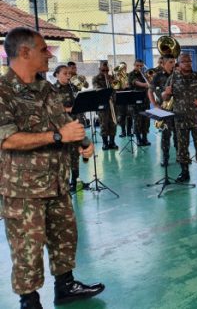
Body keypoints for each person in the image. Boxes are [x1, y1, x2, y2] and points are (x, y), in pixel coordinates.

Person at [0, 27, 104, 309]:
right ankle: (29, 300)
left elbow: (62, 122)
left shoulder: (45, 88)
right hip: (24, 189)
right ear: (24, 52)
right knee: (27, 248)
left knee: (65, 235)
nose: (49, 54)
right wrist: (58, 137)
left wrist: (81, 141)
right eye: (44, 49)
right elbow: (8, 139)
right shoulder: (3, 92)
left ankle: (65, 285)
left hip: (56, 181)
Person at [163, 53, 197, 182]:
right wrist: (166, 93)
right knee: (182, 146)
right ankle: (184, 172)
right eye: (184, 61)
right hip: (180, 118)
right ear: (179, 63)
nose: (188, 63)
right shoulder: (173, 78)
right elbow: (165, 97)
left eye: (189, 61)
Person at [53, 65, 84, 192]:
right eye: (65, 73)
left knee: (75, 155)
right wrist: (68, 109)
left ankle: (75, 181)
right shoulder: (53, 89)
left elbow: (84, 88)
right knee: (63, 156)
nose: (68, 76)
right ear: (56, 75)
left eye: (69, 74)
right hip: (62, 127)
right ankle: (62, 184)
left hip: (75, 124)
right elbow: (52, 108)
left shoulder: (72, 87)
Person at [149, 54, 177, 167]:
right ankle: (165, 158)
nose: (173, 64)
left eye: (174, 62)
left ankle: (181, 156)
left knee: (179, 135)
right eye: (170, 62)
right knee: (166, 135)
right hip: (164, 109)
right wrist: (155, 104)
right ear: (164, 63)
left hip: (178, 109)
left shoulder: (178, 75)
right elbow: (150, 91)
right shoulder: (158, 76)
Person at [92, 60, 118, 151]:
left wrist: (112, 82)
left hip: (113, 104)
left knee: (113, 123)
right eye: (103, 70)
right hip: (102, 104)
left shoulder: (112, 77)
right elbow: (97, 89)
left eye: (107, 70)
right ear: (99, 69)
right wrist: (106, 88)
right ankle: (105, 143)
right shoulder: (96, 78)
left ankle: (112, 142)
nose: (105, 72)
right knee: (104, 123)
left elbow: (117, 88)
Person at [128, 59, 151, 146]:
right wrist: (145, 84)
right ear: (134, 65)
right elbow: (136, 82)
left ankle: (145, 138)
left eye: (141, 66)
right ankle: (138, 139)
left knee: (146, 121)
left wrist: (150, 79)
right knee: (137, 121)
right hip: (135, 103)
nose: (139, 67)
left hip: (145, 101)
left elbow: (151, 83)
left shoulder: (145, 75)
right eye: (137, 66)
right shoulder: (131, 74)